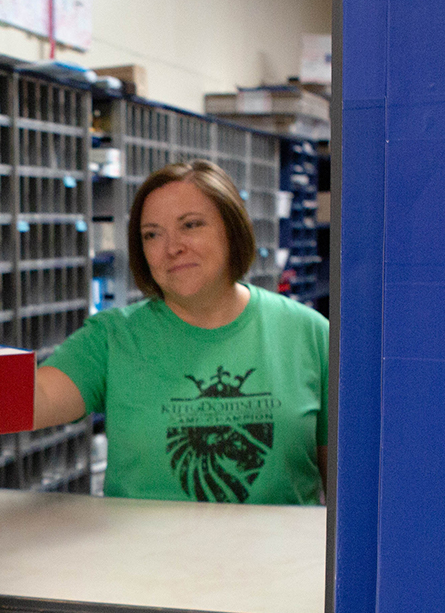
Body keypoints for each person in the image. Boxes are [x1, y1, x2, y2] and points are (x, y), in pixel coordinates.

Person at [34, 160, 328, 505]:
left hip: (280, 558)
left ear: (231, 230)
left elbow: (344, 490)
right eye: (152, 234)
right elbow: (36, 398)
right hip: (145, 556)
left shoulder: (310, 334)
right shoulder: (113, 338)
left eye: (190, 225)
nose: (172, 247)